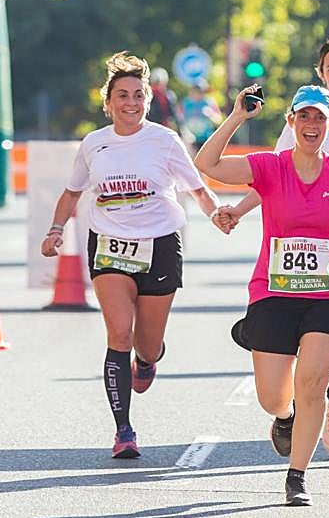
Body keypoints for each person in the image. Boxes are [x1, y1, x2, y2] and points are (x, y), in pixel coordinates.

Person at [198, 84, 329, 505]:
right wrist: (238, 116)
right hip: (273, 293)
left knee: (313, 383)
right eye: (304, 117)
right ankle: (285, 418)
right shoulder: (270, 166)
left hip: (327, 293)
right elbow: (208, 164)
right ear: (291, 122)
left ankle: (297, 475)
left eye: (320, 118)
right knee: (273, 395)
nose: (312, 125)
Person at [42, 52, 220, 458]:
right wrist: (56, 229)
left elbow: (197, 188)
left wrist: (218, 215)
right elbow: (73, 192)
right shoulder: (94, 144)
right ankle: (123, 431)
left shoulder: (164, 140)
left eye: (138, 95)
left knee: (147, 344)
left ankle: (149, 358)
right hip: (109, 244)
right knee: (118, 333)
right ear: (108, 102)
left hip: (159, 244)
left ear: (147, 100)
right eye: (122, 95)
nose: (131, 103)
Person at [180, 80, 222, 151]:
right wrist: (185, 134)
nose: (197, 93)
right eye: (195, 90)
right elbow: (180, 121)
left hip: (206, 140)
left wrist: (211, 114)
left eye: (200, 91)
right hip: (190, 140)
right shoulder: (186, 103)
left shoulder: (209, 102)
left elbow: (219, 120)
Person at [146, 67, 182, 133]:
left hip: (164, 128)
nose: (158, 85)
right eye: (156, 83)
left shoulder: (169, 96)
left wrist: (179, 130)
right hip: (150, 129)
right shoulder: (148, 95)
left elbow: (175, 115)